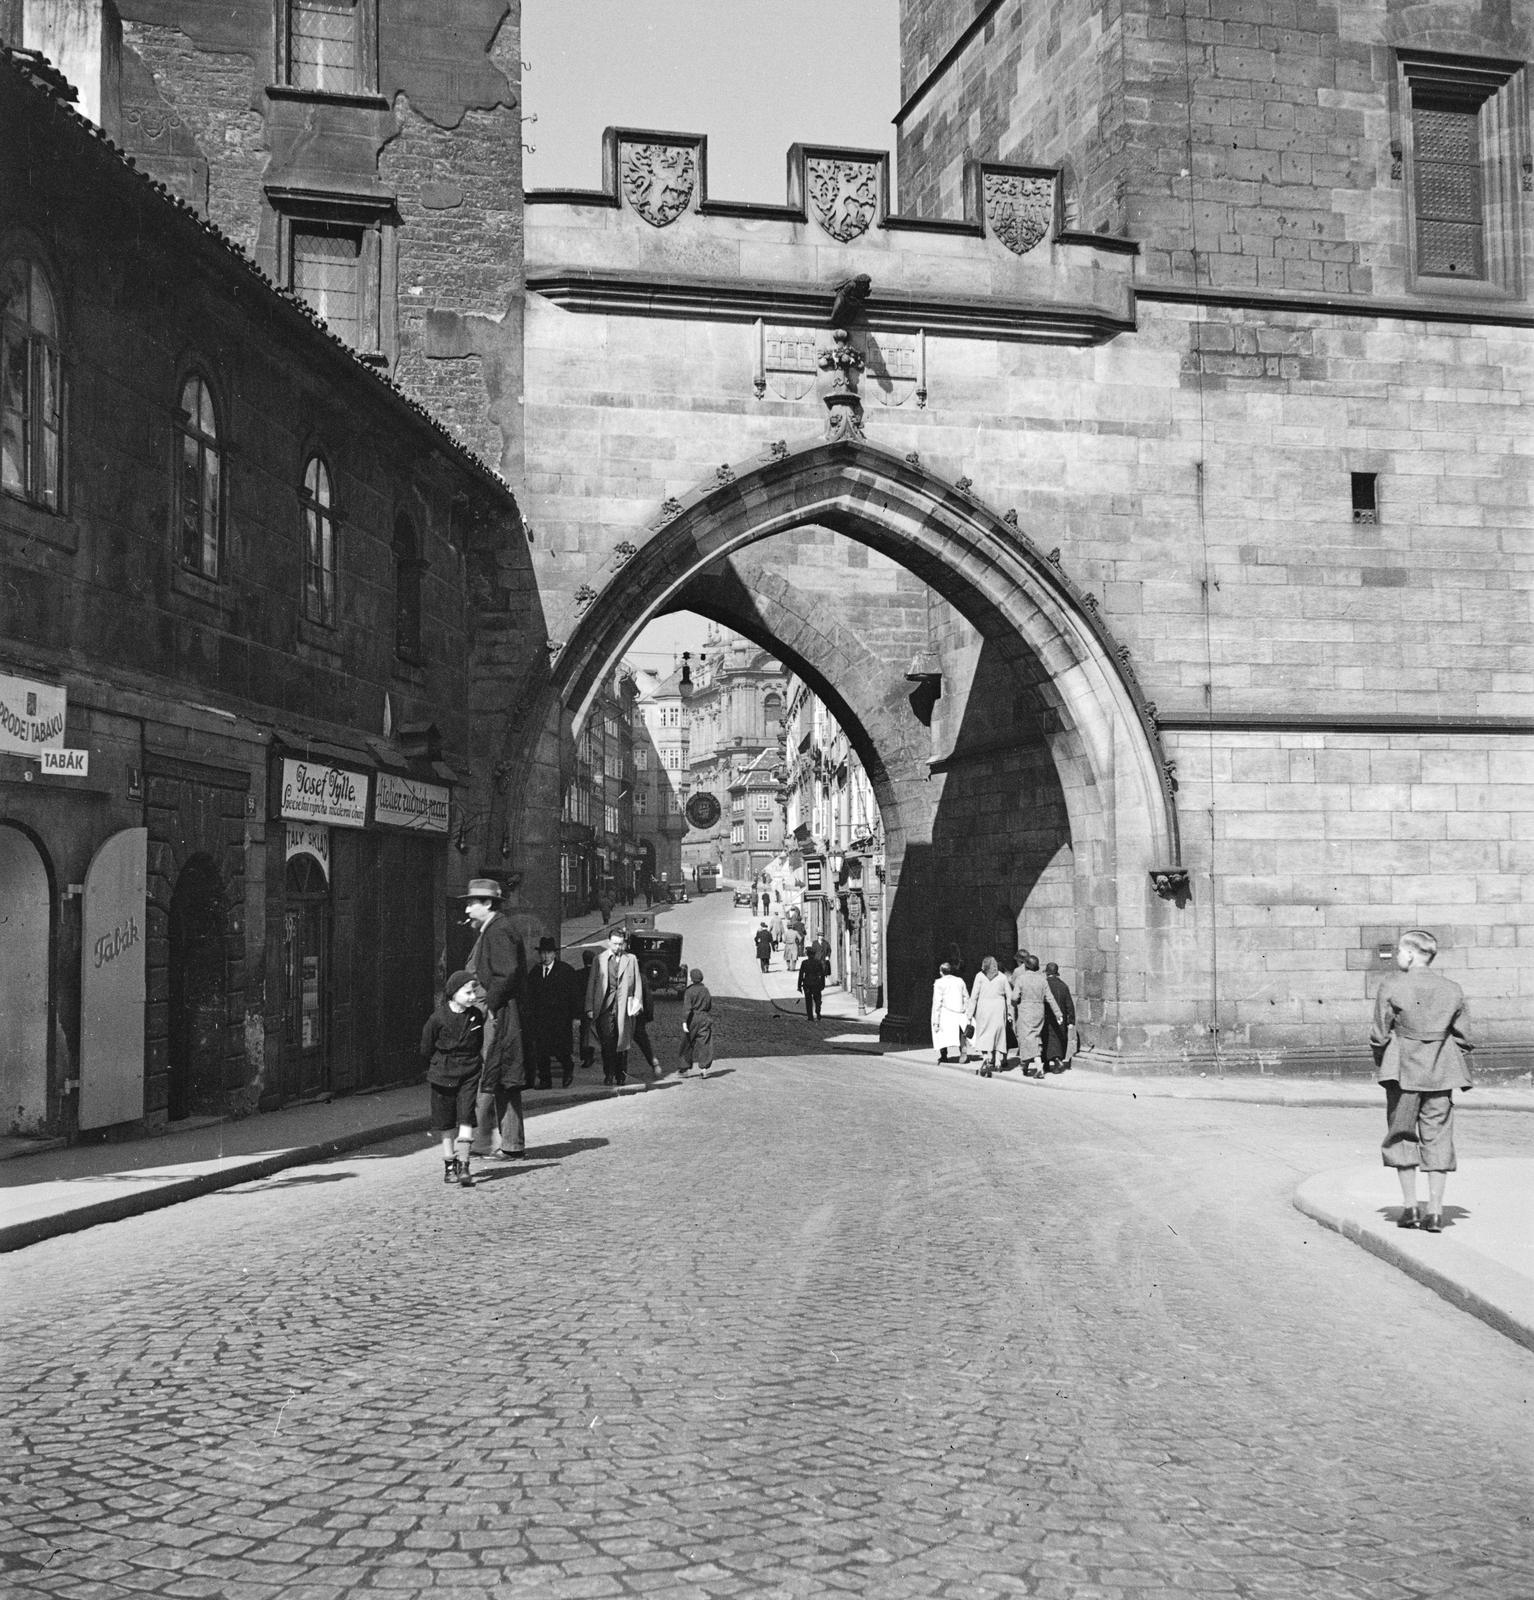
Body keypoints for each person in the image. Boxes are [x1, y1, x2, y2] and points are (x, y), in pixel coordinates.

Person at [1371, 928, 1473, 1233]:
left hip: (1402, 1072)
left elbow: (1378, 1034)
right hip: (1441, 1072)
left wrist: (1385, 1061)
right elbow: (1465, 1039)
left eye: (1401, 952)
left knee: (1401, 1135)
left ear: (1411, 953)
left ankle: (1410, 1208)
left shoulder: (1391, 985)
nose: (1399, 958)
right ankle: (1436, 1213)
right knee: (1439, 1137)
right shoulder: (1452, 988)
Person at [464, 877, 528, 1159]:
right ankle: (512, 1144)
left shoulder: (498, 930)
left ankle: (478, 1141)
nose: (467, 910)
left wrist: (490, 1006)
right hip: (498, 1012)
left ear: (487, 903)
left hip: (496, 1014)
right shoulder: (494, 928)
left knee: (488, 1074)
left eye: (471, 903)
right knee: (504, 1078)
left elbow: (507, 973)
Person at [420, 969, 485, 1189]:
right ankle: (450, 1166)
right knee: (445, 1121)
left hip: (469, 1072)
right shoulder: (438, 1018)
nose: (473, 997)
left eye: (474, 993)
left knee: (466, 1116)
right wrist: (440, 1065)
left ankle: (465, 1165)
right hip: (443, 1074)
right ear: (454, 993)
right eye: (468, 993)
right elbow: (426, 1047)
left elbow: (478, 1043)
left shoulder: (476, 1015)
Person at [523, 935, 582, 1089]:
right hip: (540, 1019)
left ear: (554, 954)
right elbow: (529, 995)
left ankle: (568, 1068)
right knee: (541, 1051)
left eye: (549, 953)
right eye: (543, 953)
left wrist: (576, 1017)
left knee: (560, 1050)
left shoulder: (565, 971)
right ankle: (545, 1080)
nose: (545, 956)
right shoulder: (535, 972)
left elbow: (575, 995)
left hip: (560, 1019)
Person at [584, 927, 642, 1085]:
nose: (618, 948)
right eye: (615, 944)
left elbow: (637, 983)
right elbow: (592, 983)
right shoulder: (599, 959)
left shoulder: (631, 959)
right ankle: (608, 1074)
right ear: (609, 943)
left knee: (622, 1042)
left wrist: (637, 1003)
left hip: (624, 1008)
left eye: (621, 944)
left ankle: (621, 1074)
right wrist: (589, 1006)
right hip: (604, 1008)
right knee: (607, 1043)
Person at [1009, 952, 1064, 1078]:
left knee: (1026, 1037)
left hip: (1025, 1010)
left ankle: (1037, 1066)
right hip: (1039, 1010)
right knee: (1034, 1036)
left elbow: (1014, 997)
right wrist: (1058, 1013)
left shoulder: (1021, 979)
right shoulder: (1042, 980)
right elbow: (1050, 998)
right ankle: (1026, 1065)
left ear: (1026, 966)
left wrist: (1014, 1004)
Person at [967, 956, 1011, 1077]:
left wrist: (970, 1014)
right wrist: (1010, 1012)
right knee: (998, 1034)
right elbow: (1009, 995)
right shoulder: (1002, 977)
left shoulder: (979, 976)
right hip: (998, 1008)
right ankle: (997, 1061)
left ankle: (986, 1058)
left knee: (984, 1033)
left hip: (984, 1008)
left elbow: (974, 996)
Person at [628, 942, 660, 1078]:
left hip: (630, 1014)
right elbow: (648, 998)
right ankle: (653, 1062)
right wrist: (648, 1014)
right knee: (643, 1040)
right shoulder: (642, 977)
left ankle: (618, 1071)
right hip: (638, 1015)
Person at [930, 961, 969, 1063]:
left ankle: (944, 1054)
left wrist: (936, 1020)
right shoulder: (960, 981)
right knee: (961, 1032)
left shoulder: (939, 983)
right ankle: (963, 1052)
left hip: (946, 1013)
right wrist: (965, 1009)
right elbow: (966, 997)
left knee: (941, 1033)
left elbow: (937, 1002)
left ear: (941, 972)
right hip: (959, 1012)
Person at [1040, 961, 1076, 1072]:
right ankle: (1057, 1061)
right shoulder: (1063, 986)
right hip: (1061, 1017)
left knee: (1047, 1039)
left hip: (1047, 1017)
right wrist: (1071, 1020)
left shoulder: (1044, 984)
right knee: (1059, 1040)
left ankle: (1053, 1061)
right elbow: (1069, 1004)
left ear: (1047, 973)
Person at [679, 966, 714, 1077]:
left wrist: (684, 1021)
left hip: (692, 1018)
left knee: (687, 1042)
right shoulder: (706, 990)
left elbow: (687, 1008)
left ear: (692, 978)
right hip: (704, 1017)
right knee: (705, 1043)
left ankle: (684, 1069)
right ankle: (704, 1068)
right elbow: (709, 1005)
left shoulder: (689, 991)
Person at [797, 945, 826, 1020]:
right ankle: (818, 1012)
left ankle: (810, 1016)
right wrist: (823, 984)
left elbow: (801, 975)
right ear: (814, 954)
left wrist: (799, 986)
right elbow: (822, 974)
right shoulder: (818, 962)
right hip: (816, 983)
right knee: (817, 999)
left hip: (807, 983)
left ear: (808, 954)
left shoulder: (804, 963)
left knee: (808, 1001)